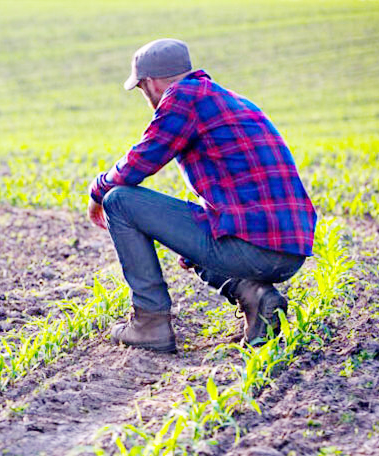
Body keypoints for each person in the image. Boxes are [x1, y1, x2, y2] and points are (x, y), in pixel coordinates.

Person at [87, 38, 317, 352]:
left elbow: (141, 161)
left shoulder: (182, 98)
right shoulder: (228, 99)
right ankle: (256, 295)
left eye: (141, 90)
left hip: (256, 249)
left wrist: (98, 190)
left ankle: (149, 322)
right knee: (195, 233)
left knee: (120, 201)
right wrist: (193, 246)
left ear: (151, 83)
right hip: (290, 251)